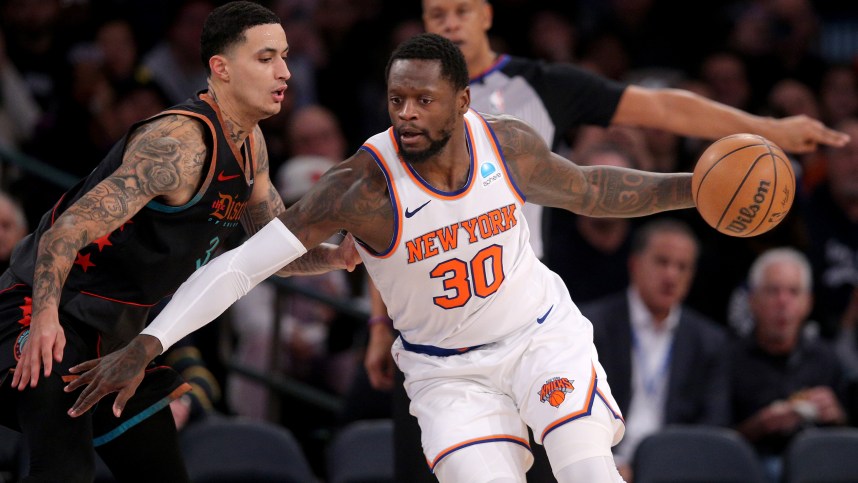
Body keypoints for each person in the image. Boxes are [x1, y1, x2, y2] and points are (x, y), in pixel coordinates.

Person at [65, 32, 759, 483]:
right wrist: (151, 339)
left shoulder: (506, 144)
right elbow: (244, 264)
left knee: (586, 468)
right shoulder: (360, 186)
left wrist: (694, 189)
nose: (407, 114)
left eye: (424, 100)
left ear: (461, 101)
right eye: (397, 99)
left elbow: (592, 189)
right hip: (446, 373)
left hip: (541, 336)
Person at [368, 0, 851, 479]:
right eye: (437, 14)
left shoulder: (537, 86)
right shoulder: (411, 103)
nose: (450, 22)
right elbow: (388, 223)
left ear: (488, 16)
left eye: (462, 10)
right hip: (434, 329)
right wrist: (377, 322)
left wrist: (767, 129)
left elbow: (660, 107)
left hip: (520, 314)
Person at [0, 3, 358, 481]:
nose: (285, 72)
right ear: (221, 68)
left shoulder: (252, 148)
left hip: (118, 339)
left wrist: (339, 256)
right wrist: (44, 318)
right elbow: (66, 230)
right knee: (64, 470)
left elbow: (272, 252)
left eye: (286, 57)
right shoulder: (179, 144)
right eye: (267, 58)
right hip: (46, 311)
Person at [581, 218, 731, 482]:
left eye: (682, 267)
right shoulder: (592, 326)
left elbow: (713, 425)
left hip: (676, 468)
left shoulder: (709, 341)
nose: (671, 275)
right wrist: (609, 465)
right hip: (603, 464)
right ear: (635, 264)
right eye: (662, 262)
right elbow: (578, 411)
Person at [730, 248, 848, 482]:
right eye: (773, 291)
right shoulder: (729, 358)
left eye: (794, 292)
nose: (783, 302)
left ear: (808, 303)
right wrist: (759, 425)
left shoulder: (827, 357)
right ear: (752, 301)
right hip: (748, 467)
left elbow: (849, 433)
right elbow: (711, 439)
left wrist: (837, 415)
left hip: (819, 466)